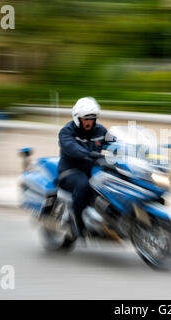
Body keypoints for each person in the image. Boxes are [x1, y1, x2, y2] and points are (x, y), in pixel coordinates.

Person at [57, 97, 115, 235]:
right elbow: (71, 148)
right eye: (86, 118)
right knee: (83, 185)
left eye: (92, 118)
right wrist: (89, 154)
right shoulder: (67, 131)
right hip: (70, 171)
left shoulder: (100, 130)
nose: (89, 121)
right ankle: (77, 222)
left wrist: (138, 150)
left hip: (92, 169)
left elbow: (116, 143)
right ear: (78, 118)